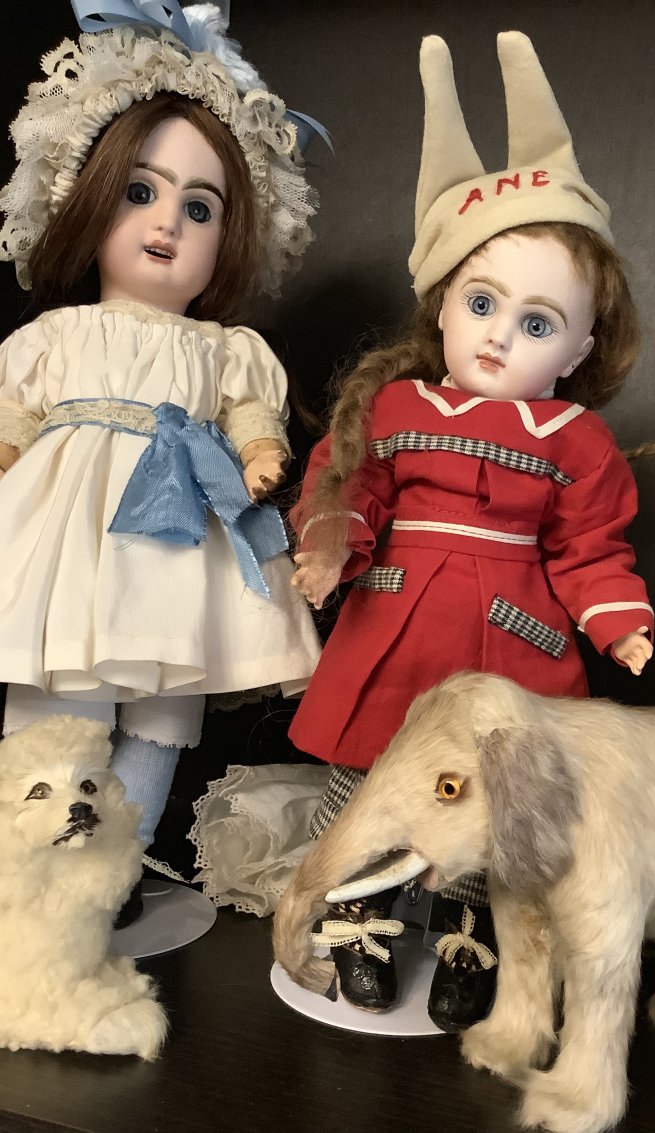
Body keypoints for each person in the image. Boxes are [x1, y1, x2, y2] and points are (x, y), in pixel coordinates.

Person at [286, 32, 653, 1031]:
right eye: (483, 303)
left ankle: (466, 930)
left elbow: (589, 546)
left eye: (537, 323)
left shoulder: (575, 439)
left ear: (577, 347)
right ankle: (355, 913)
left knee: (491, 794)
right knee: (368, 773)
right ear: (442, 303)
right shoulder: (398, 407)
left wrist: (617, 618)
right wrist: (331, 542)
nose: (499, 334)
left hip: (510, 642)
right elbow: (349, 483)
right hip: (396, 628)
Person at [0, 5, 322, 912]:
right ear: (86, 197)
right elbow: (15, 411)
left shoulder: (224, 349)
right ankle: (34, 873)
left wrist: (260, 453)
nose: (168, 223)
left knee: (162, 704)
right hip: (70, 542)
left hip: (181, 544)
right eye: (140, 192)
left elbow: (251, 414)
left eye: (200, 208)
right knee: (62, 683)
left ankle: (114, 868)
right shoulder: (58, 334)